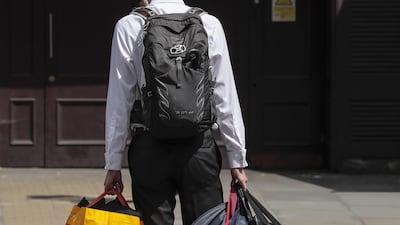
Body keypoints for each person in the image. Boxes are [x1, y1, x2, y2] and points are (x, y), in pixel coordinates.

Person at [103, 0, 248, 224]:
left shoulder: (129, 25)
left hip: (149, 145)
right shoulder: (209, 23)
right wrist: (237, 159)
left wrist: (113, 163)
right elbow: (225, 94)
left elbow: (119, 100)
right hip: (199, 147)